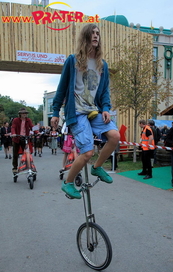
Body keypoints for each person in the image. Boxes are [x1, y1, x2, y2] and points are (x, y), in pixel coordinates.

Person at [51, 24, 120, 199]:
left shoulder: (102, 65)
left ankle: (97, 167)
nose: (96, 36)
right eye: (92, 33)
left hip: (94, 111)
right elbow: (61, 88)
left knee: (115, 136)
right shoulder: (72, 61)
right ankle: (68, 183)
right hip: (77, 113)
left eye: (98, 33)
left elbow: (104, 92)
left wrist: (105, 108)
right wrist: (55, 112)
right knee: (87, 152)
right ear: (86, 37)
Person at [11, 108, 34, 173]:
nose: (24, 115)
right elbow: (13, 127)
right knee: (15, 154)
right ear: (20, 114)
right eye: (23, 113)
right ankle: (15, 167)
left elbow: (32, 126)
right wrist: (13, 133)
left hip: (25, 138)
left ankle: (29, 165)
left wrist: (37, 132)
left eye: (25, 113)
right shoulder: (16, 120)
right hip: (17, 138)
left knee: (27, 153)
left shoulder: (28, 120)